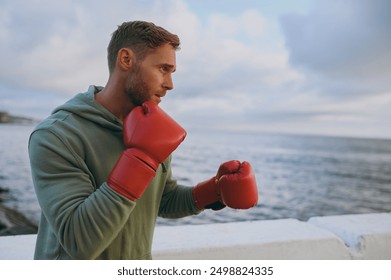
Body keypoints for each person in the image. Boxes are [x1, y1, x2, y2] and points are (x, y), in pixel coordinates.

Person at [28, 21, 258, 260]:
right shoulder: (57, 136)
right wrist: (141, 159)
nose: (170, 84)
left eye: (172, 72)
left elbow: (162, 200)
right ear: (126, 60)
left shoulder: (150, 128)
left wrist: (213, 191)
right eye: (163, 69)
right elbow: (79, 241)